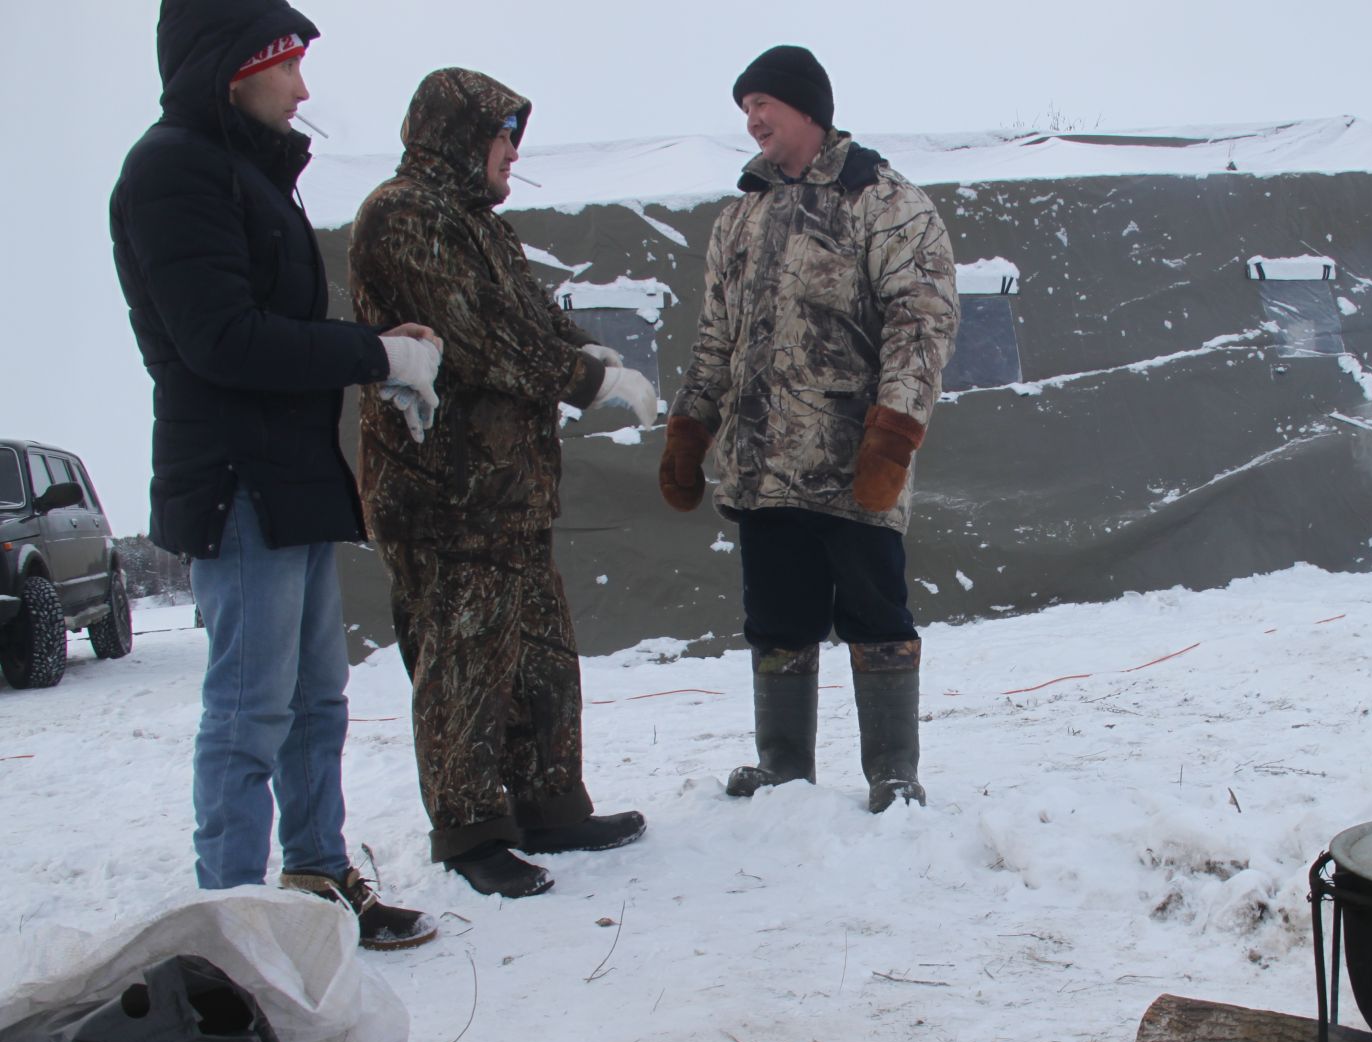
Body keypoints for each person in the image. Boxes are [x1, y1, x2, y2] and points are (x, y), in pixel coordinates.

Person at [110, 0, 442, 949]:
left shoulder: (246, 174)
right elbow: (221, 340)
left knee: (314, 701)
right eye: (287, 67)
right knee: (251, 708)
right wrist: (372, 356)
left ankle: (316, 881)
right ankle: (234, 928)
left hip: (291, 474)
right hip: (237, 478)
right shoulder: (173, 171)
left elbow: (279, 327)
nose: (303, 89)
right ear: (233, 68)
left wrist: (379, 349)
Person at [348, 68, 657, 899]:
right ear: (462, 135)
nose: (514, 153)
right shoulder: (402, 216)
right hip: (443, 495)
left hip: (509, 493)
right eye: (503, 136)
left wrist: (590, 352)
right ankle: (470, 830)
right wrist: (583, 384)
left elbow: (530, 316)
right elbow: (476, 337)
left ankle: (550, 805)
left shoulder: (482, 227)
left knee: (542, 660)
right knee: (464, 664)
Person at [660, 45, 958, 814]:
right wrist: (691, 427)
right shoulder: (739, 217)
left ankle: (893, 773)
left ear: (808, 110)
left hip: (851, 463)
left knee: (875, 613)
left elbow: (920, 324)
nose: (752, 119)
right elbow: (714, 337)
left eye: (765, 103)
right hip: (762, 468)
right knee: (777, 619)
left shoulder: (883, 201)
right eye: (744, 107)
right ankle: (784, 772)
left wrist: (892, 438)